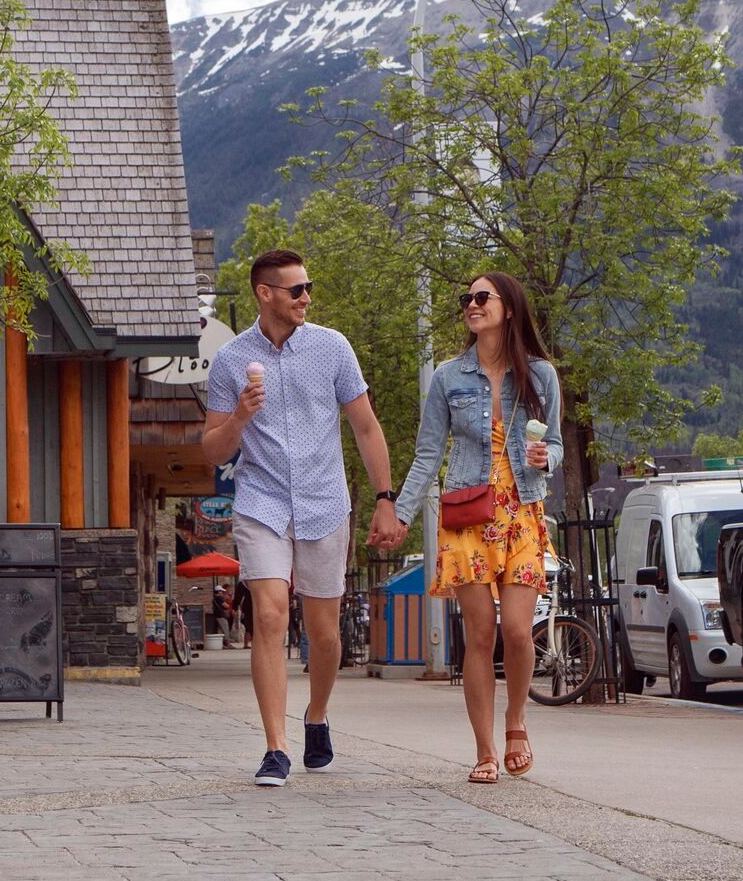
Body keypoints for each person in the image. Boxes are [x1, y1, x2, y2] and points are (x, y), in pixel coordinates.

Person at [202, 248, 399, 786]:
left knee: (324, 631)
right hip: (261, 499)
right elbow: (214, 452)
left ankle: (316, 716)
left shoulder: (333, 348)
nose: (307, 297)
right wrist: (241, 414)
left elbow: (364, 426)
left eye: (308, 287)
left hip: (325, 500)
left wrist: (386, 497)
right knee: (267, 613)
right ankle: (276, 747)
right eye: (296, 290)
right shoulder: (229, 361)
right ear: (265, 294)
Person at [385, 271, 560, 785]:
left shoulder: (540, 374)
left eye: (482, 297)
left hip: (522, 510)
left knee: (518, 631)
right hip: (468, 515)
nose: (472, 304)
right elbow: (427, 454)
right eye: (467, 298)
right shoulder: (447, 377)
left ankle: (517, 722)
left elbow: (557, 448)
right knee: (480, 634)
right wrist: (399, 512)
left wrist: (543, 457)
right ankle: (484, 750)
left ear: (509, 308)